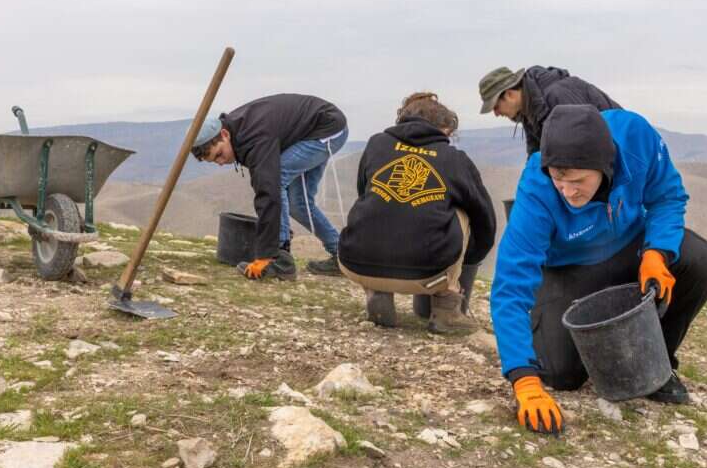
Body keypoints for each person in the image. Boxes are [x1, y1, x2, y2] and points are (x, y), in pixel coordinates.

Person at [490, 104, 707, 435]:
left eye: (578, 181)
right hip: (570, 266)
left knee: (700, 260)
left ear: (604, 165)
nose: (568, 193)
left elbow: (667, 197)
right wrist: (524, 382)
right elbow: (511, 285)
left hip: (630, 247)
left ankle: (656, 365)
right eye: (559, 180)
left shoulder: (636, 139)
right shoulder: (537, 189)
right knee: (560, 374)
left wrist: (657, 252)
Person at [337, 92, 496, 333]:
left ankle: (377, 291)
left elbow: (363, 190)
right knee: (462, 212)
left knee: (377, 203)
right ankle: (446, 308)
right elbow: (485, 219)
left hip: (356, 264)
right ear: (444, 128)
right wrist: (468, 262)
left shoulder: (376, 143)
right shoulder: (454, 159)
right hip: (429, 273)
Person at [192, 94, 348, 280]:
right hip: (313, 128)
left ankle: (279, 260)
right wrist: (277, 224)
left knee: (277, 176)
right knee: (296, 203)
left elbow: (268, 190)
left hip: (326, 129)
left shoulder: (254, 137)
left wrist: (267, 253)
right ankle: (343, 258)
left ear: (224, 134)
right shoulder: (238, 133)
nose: (220, 162)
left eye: (219, 155)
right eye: (214, 161)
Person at [478, 66, 620, 155]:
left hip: (624, 156)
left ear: (509, 94)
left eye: (495, 107)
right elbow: (537, 157)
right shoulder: (530, 111)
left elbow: (585, 149)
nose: (496, 114)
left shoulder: (558, 97)